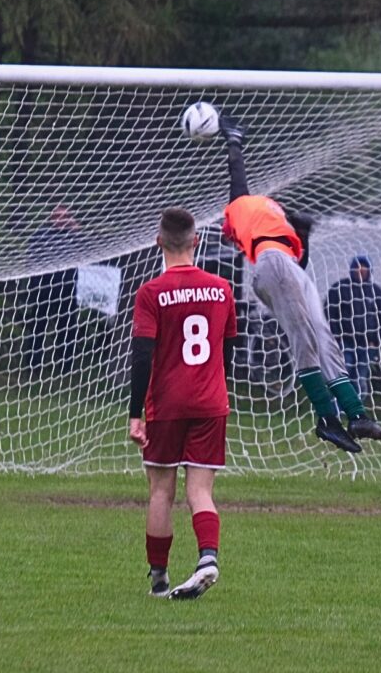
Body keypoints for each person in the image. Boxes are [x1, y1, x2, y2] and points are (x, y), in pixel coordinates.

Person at [215, 115, 381, 453]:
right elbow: (238, 183)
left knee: (324, 338)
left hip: (287, 268)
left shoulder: (268, 215)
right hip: (272, 265)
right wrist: (233, 142)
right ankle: (327, 419)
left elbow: (299, 265)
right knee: (305, 342)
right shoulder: (242, 210)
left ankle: (356, 414)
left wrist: (303, 234)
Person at [129, 207, 238, 600]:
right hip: (211, 402)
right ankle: (207, 557)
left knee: (161, 490)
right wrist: (215, 387)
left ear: (158, 242)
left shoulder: (151, 292)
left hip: (167, 403)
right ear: (196, 241)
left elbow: (142, 355)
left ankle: (159, 578)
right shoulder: (222, 288)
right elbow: (227, 351)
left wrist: (134, 413)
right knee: (201, 491)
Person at [23, 204, 85, 378]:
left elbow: (90, 251)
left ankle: (65, 367)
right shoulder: (41, 235)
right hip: (44, 289)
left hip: (66, 289)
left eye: (65, 216)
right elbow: (32, 261)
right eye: (58, 216)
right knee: (38, 327)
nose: (62, 219)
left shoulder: (73, 237)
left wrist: (76, 229)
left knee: (67, 328)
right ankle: (33, 365)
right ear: (51, 217)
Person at [327, 255, 381, 399]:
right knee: (343, 374)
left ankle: (357, 410)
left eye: (364, 268)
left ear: (369, 270)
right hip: (346, 342)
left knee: (360, 377)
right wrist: (336, 335)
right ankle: (338, 407)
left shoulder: (375, 291)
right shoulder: (340, 288)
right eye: (358, 267)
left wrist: (377, 340)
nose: (360, 271)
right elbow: (330, 313)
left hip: (367, 344)